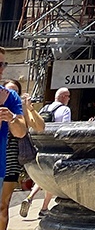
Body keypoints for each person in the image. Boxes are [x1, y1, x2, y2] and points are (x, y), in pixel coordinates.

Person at [20, 87, 71, 217]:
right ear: (64, 97)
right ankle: (44, 208)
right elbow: (66, 128)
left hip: (41, 145)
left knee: (43, 175)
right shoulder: (65, 110)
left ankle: (30, 197)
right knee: (52, 177)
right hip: (57, 147)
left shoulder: (45, 108)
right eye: (68, 96)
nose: (69, 99)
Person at [0, 75, 26, 230]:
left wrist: (26, 110)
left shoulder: (16, 107)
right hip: (3, 154)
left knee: (3, 204)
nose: (12, 93)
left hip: (11, 159)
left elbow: (25, 131)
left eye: (15, 91)